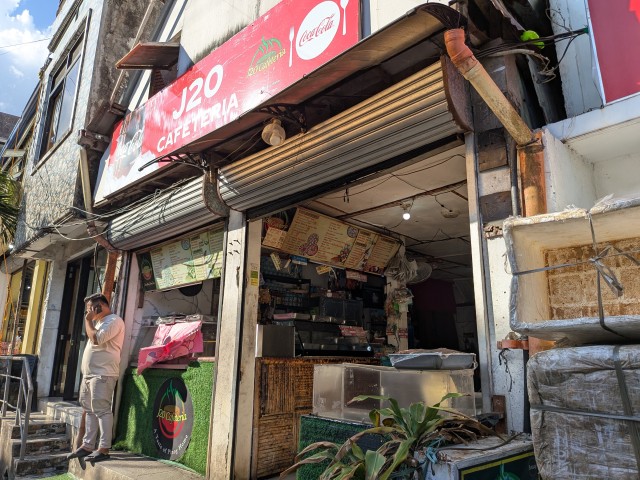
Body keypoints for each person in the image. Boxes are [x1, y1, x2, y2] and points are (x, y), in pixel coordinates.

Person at [67, 293, 124, 462]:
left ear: (100, 306)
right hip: (90, 374)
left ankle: (104, 448)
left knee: (102, 410)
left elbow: (97, 339)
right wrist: (91, 320)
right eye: (87, 310)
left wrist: (88, 320)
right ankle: (87, 446)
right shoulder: (98, 322)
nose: (88, 312)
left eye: (90, 308)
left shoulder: (114, 321)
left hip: (103, 374)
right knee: (90, 410)